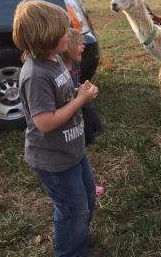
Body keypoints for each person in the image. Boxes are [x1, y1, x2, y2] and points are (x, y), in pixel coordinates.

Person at [13, 0, 99, 257]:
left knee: (87, 200)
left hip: (73, 150)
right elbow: (45, 121)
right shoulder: (36, 75)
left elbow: (61, 95)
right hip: (54, 161)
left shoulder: (54, 60)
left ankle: (79, 236)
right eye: (63, 31)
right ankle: (71, 251)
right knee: (72, 209)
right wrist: (80, 101)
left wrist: (77, 92)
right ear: (46, 37)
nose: (69, 35)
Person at [61, 28, 105, 196]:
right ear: (69, 46)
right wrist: (80, 95)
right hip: (67, 121)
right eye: (79, 44)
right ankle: (82, 186)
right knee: (73, 155)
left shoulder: (76, 63)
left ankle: (87, 183)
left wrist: (82, 89)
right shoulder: (57, 70)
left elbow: (73, 87)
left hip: (76, 114)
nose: (83, 47)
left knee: (81, 149)